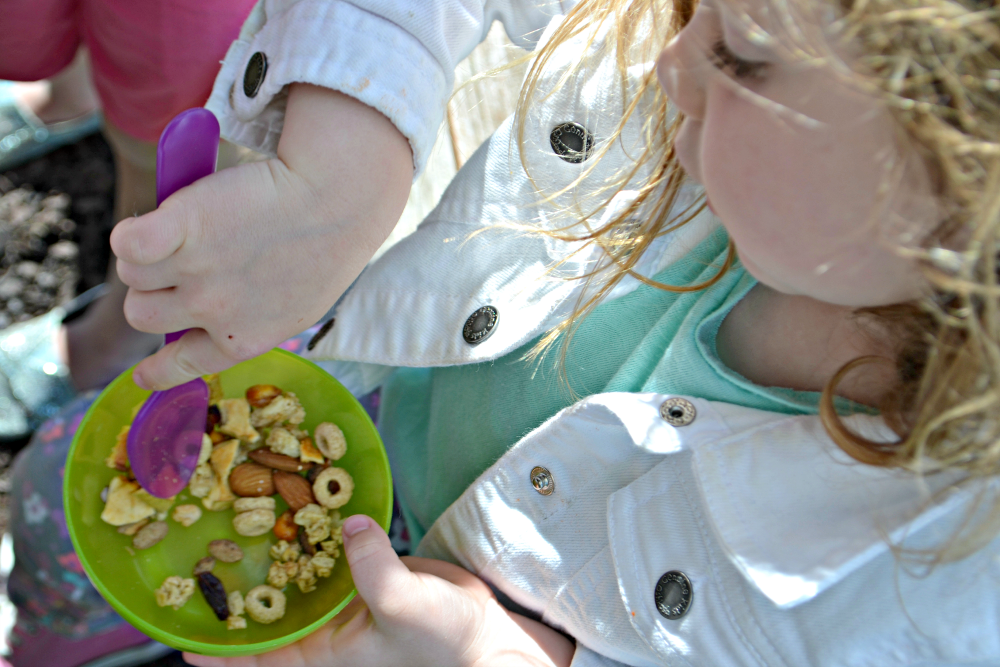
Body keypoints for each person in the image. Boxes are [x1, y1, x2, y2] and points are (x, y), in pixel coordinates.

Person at [163, 0, 994, 665]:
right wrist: (342, 161)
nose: (670, 57)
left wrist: (492, 651)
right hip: (386, 415)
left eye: (742, 55)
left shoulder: (941, 593)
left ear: (966, 199)